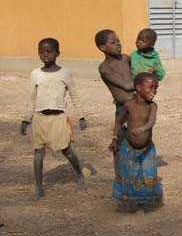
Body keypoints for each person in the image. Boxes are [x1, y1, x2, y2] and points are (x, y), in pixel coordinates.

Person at [20, 38, 87, 200]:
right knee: (38, 153)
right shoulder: (35, 74)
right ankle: (38, 187)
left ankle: (78, 173)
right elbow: (31, 98)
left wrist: (82, 116)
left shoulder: (65, 73)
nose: (45, 55)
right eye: (41, 51)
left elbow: (74, 96)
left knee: (67, 151)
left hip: (58, 118)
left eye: (49, 51)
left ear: (57, 53)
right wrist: (26, 119)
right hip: (39, 118)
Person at [110, 72, 163, 210]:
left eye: (156, 88)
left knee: (148, 174)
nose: (153, 91)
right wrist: (114, 139)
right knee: (129, 173)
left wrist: (143, 129)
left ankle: (148, 202)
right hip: (129, 147)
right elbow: (118, 122)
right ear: (139, 88)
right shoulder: (129, 105)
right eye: (150, 87)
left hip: (147, 149)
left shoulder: (152, 106)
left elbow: (152, 121)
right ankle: (130, 202)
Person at [95, 29, 134, 158]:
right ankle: (121, 175)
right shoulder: (104, 67)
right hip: (122, 108)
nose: (118, 44)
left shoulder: (126, 58)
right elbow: (127, 86)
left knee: (138, 139)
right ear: (102, 47)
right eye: (113, 42)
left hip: (136, 106)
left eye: (118, 41)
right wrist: (142, 82)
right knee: (120, 143)